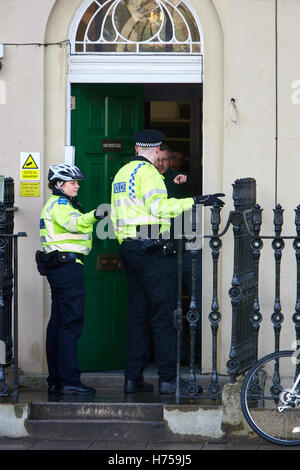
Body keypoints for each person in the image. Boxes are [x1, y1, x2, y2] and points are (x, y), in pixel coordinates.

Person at [110, 129, 225, 394]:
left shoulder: (121, 173)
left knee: (137, 316)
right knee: (165, 317)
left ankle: (132, 378)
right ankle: (168, 380)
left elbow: (117, 215)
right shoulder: (149, 173)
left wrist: (126, 244)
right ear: (159, 149)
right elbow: (159, 208)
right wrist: (194, 200)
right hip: (153, 249)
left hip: (129, 248)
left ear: (137, 148)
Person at [36, 163, 102, 396]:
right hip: (66, 268)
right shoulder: (61, 204)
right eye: (72, 182)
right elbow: (75, 223)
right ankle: (70, 381)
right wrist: (96, 214)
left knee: (58, 324)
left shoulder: (58, 203)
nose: (77, 186)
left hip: (61, 267)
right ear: (58, 185)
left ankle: (56, 380)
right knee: (70, 325)